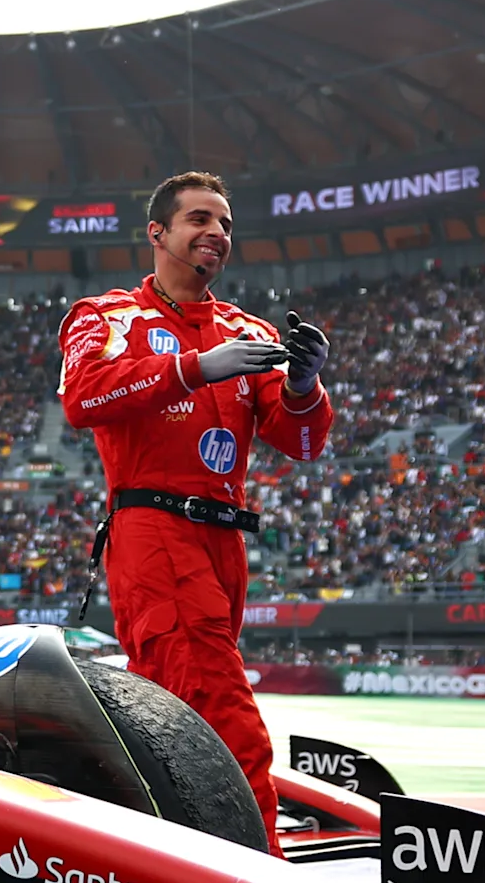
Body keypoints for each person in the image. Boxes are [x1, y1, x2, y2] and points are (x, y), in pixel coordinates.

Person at [57, 172, 339, 846]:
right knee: (223, 711)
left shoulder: (250, 330)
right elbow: (81, 398)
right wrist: (195, 367)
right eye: (199, 219)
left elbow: (300, 442)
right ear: (158, 232)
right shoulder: (106, 316)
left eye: (227, 224)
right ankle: (264, 882)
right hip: (154, 530)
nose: (217, 233)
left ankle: (168, 865)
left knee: (179, 719)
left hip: (226, 544)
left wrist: (305, 384)